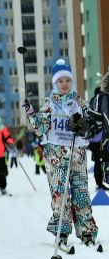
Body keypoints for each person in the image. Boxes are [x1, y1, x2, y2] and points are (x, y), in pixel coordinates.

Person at [22, 58, 98, 247]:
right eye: (60, 81)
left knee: (81, 193)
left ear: (71, 82)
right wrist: (31, 113)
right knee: (60, 195)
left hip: (78, 156)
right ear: (55, 83)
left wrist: (85, 127)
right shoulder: (50, 104)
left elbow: (91, 126)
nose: (64, 84)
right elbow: (38, 128)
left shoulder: (78, 102)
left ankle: (87, 232)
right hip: (56, 158)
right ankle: (62, 232)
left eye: (67, 81)